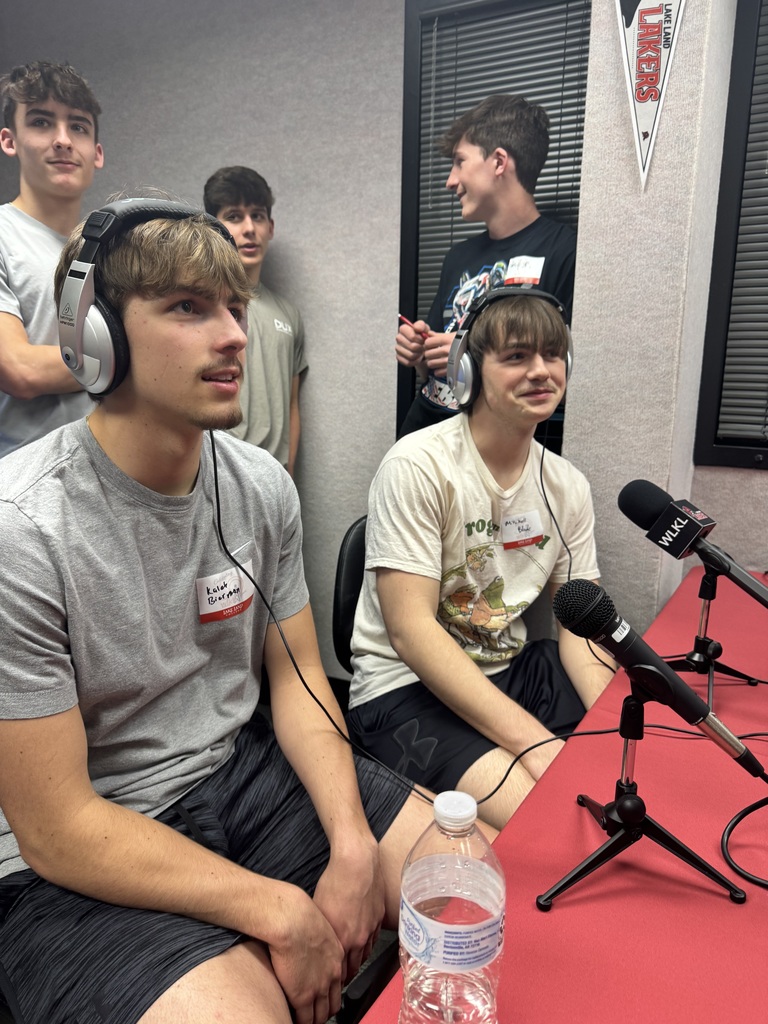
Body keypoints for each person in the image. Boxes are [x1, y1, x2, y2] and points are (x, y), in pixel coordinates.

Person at [0, 200, 438, 1024]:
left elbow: (304, 677)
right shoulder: (20, 531)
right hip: (78, 851)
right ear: (93, 338)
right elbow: (56, 827)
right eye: (188, 308)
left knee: (462, 876)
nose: (235, 335)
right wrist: (277, 907)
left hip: (238, 776)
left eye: (234, 306)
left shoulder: (259, 486)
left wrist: (350, 845)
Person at [348, 289, 615, 831]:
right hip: (403, 688)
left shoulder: (568, 486)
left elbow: (580, 626)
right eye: (516, 356)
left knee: (623, 763)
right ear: (468, 371)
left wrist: (609, 726)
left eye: (553, 355)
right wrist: (535, 743)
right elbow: (411, 633)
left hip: (509, 669)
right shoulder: (418, 465)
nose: (541, 371)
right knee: (551, 820)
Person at [397, 93, 576, 438]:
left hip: (494, 441)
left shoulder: (562, 252)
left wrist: (470, 355)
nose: (450, 180)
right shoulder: (458, 257)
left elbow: (556, 374)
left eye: (459, 162)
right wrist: (419, 351)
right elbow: (432, 365)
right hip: (426, 428)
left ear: (498, 162)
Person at [0, 60, 104, 457]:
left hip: (111, 475)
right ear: (9, 141)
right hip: (24, 489)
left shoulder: (115, 250)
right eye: (42, 122)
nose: (63, 140)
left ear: (96, 153)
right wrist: (137, 360)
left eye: (77, 126)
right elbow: (20, 369)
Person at [204, 165, 307, 476]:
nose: (249, 228)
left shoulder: (288, 314)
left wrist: (287, 470)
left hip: (275, 479)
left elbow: (292, 405)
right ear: (213, 227)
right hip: (221, 477)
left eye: (257, 216)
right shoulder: (201, 308)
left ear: (270, 227)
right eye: (234, 216)